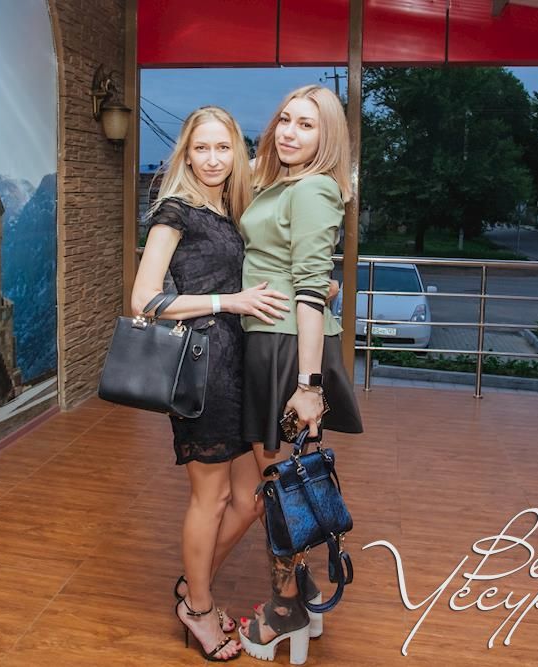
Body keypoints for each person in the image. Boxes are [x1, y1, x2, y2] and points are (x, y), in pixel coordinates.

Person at [130, 106, 291, 662]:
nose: (213, 158)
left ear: (237, 153)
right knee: (213, 496)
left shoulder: (229, 210)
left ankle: (190, 588)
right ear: (186, 153)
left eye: (223, 147)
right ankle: (199, 607)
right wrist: (229, 302)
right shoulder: (176, 210)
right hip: (202, 368)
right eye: (202, 148)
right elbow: (145, 299)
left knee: (250, 500)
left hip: (240, 365)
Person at [237, 85, 364, 665]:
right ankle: (306, 595)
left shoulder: (313, 188)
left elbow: (312, 291)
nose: (289, 132)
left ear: (327, 137)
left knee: (279, 485)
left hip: (287, 348)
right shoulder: (284, 183)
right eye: (284, 119)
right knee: (284, 479)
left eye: (306, 125)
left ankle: (284, 610)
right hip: (273, 341)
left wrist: (309, 388)